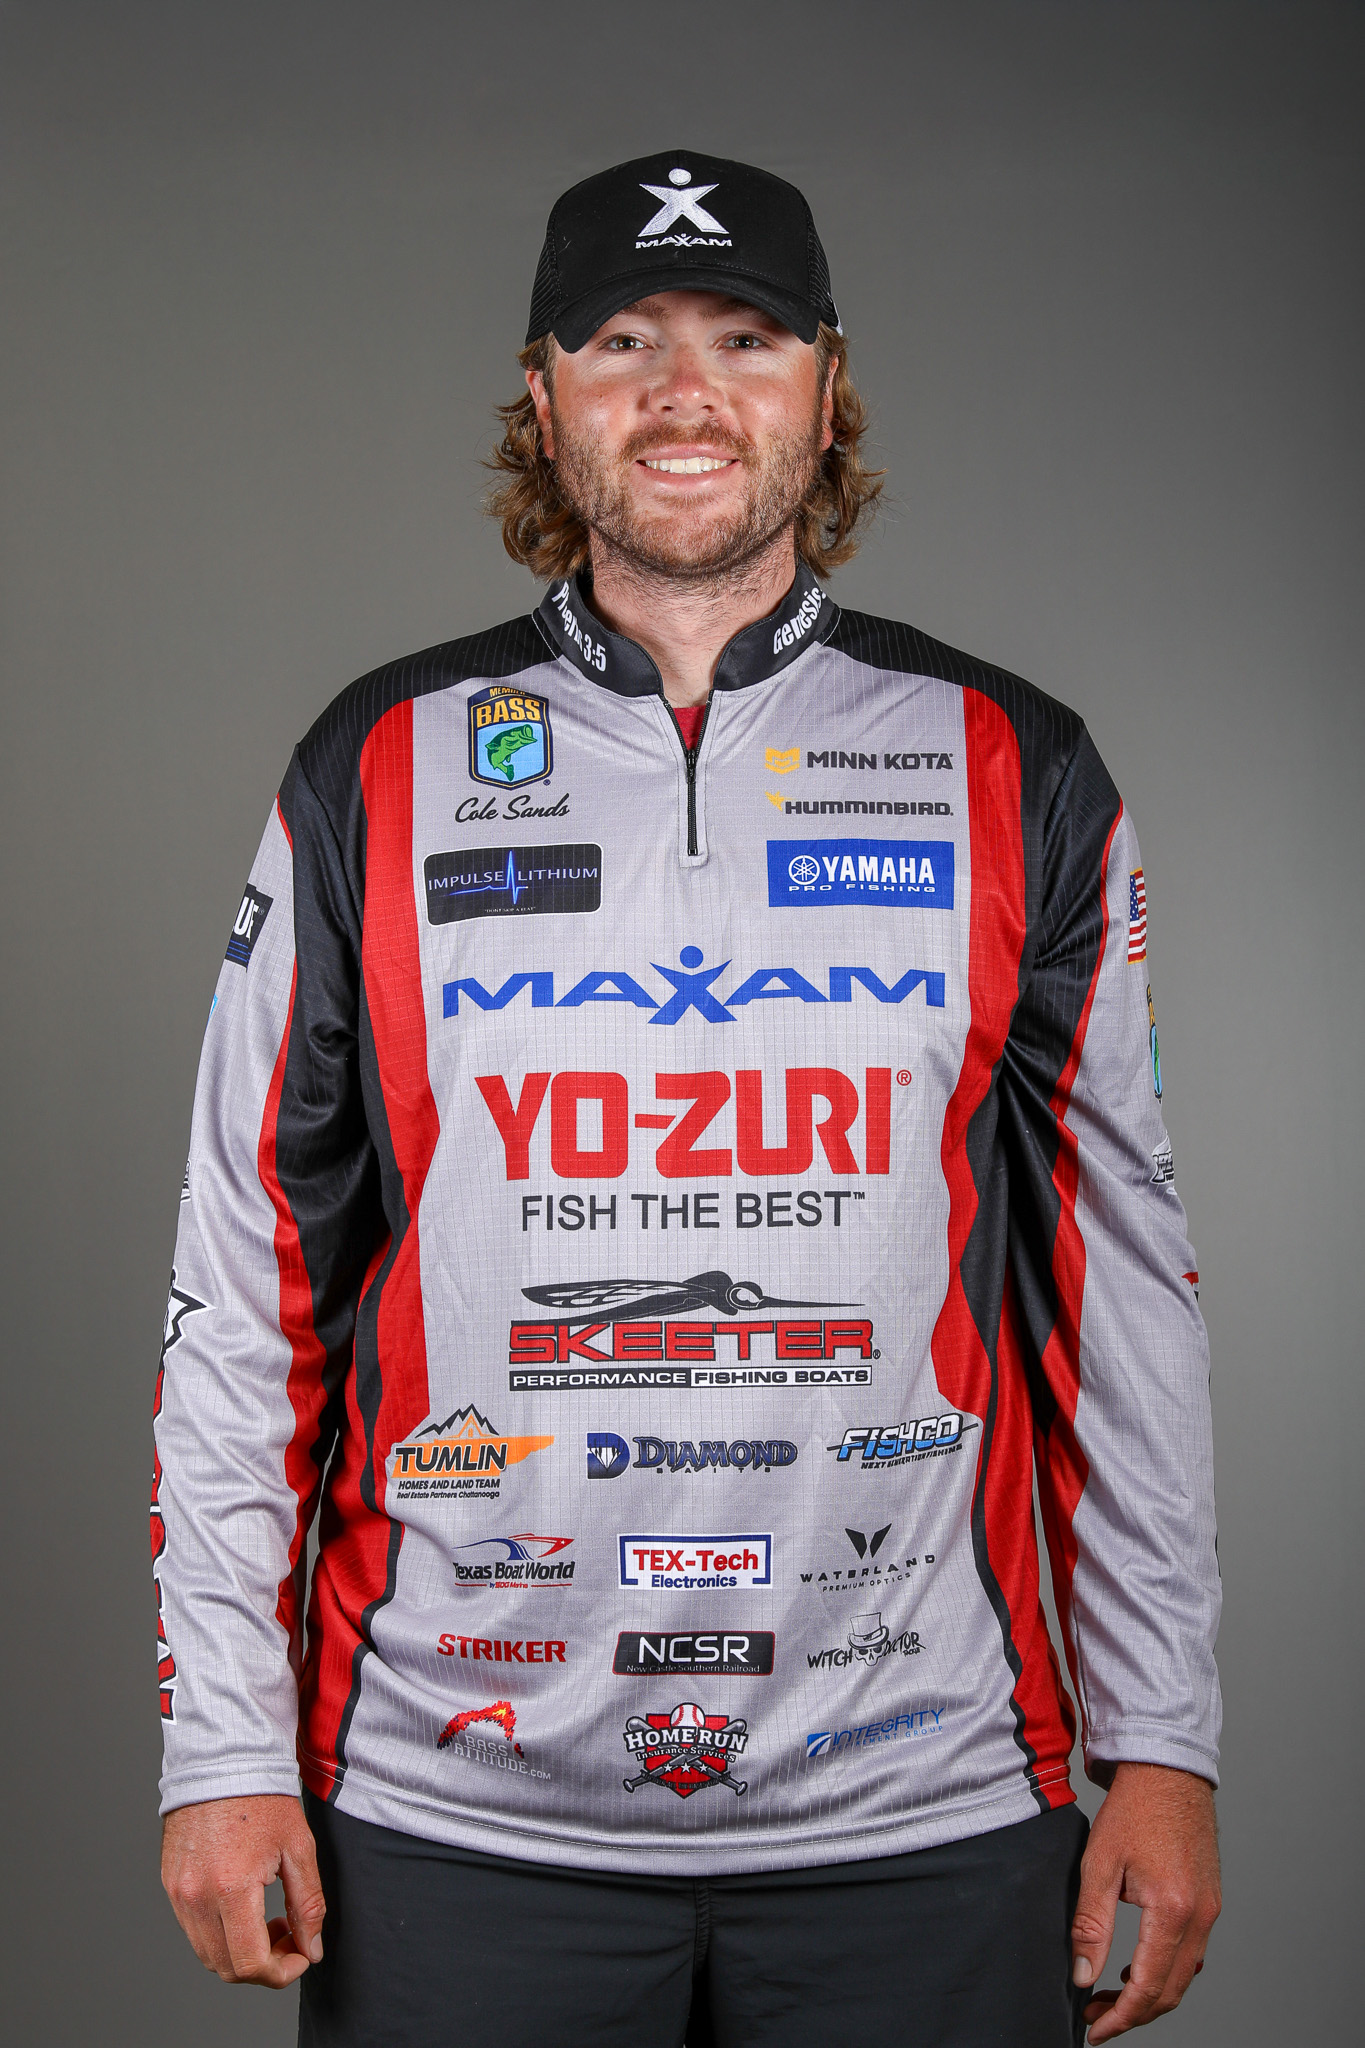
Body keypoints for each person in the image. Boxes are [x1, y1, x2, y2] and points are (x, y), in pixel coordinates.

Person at [154, 151, 1221, 2048]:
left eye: (743, 338)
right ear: (542, 391)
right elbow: (250, 1282)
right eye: (621, 340)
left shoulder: (1012, 762)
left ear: (825, 382)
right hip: (453, 1816)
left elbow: (1116, 1292)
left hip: (926, 1805)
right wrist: (222, 1747)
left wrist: (1164, 1738)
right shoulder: (375, 762)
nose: (682, 394)